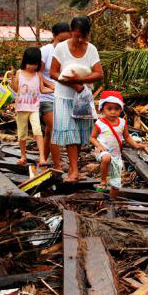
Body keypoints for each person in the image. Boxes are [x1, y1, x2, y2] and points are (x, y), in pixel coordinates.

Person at [50, 16, 104, 182]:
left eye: (84, 36)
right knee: (70, 131)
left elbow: (99, 73)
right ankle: (73, 171)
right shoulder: (61, 48)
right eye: (77, 35)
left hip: (82, 97)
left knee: (79, 134)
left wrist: (82, 81)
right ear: (71, 32)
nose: (80, 39)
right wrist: (72, 83)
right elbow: (53, 72)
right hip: (63, 96)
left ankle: (74, 168)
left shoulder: (91, 49)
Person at [90, 91, 146, 190]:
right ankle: (103, 181)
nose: (113, 112)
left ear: (121, 110)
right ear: (102, 110)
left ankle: (112, 199)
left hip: (116, 155)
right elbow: (92, 137)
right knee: (106, 158)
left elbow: (127, 137)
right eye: (109, 109)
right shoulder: (100, 123)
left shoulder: (122, 123)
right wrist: (99, 146)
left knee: (115, 184)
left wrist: (136, 145)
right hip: (102, 152)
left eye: (116, 109)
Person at [10, 47, 51, 168]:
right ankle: (23, 156)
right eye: (30, 63)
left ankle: (42, 157)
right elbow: (15, 89)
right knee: (22, 134)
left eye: (35, 64)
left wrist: (54, 89)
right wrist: (12, 80)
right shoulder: (19, 73)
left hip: (34, 108)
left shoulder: (38, 75)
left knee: (37, 131)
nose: (32, 66)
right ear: (24, 61)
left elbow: (42, 89)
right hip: (21, 108)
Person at [40, 22, 71, 169]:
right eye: (61, 40)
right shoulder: (45, 51)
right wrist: (49, 85)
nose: (63, 44)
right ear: (53, 36)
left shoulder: (69, 52)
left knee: (49, 131)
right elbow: (36, 72)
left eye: (67, 40)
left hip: (63, 97)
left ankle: (44, 159)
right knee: (55, 128)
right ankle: (57, 165)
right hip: (46, 97)